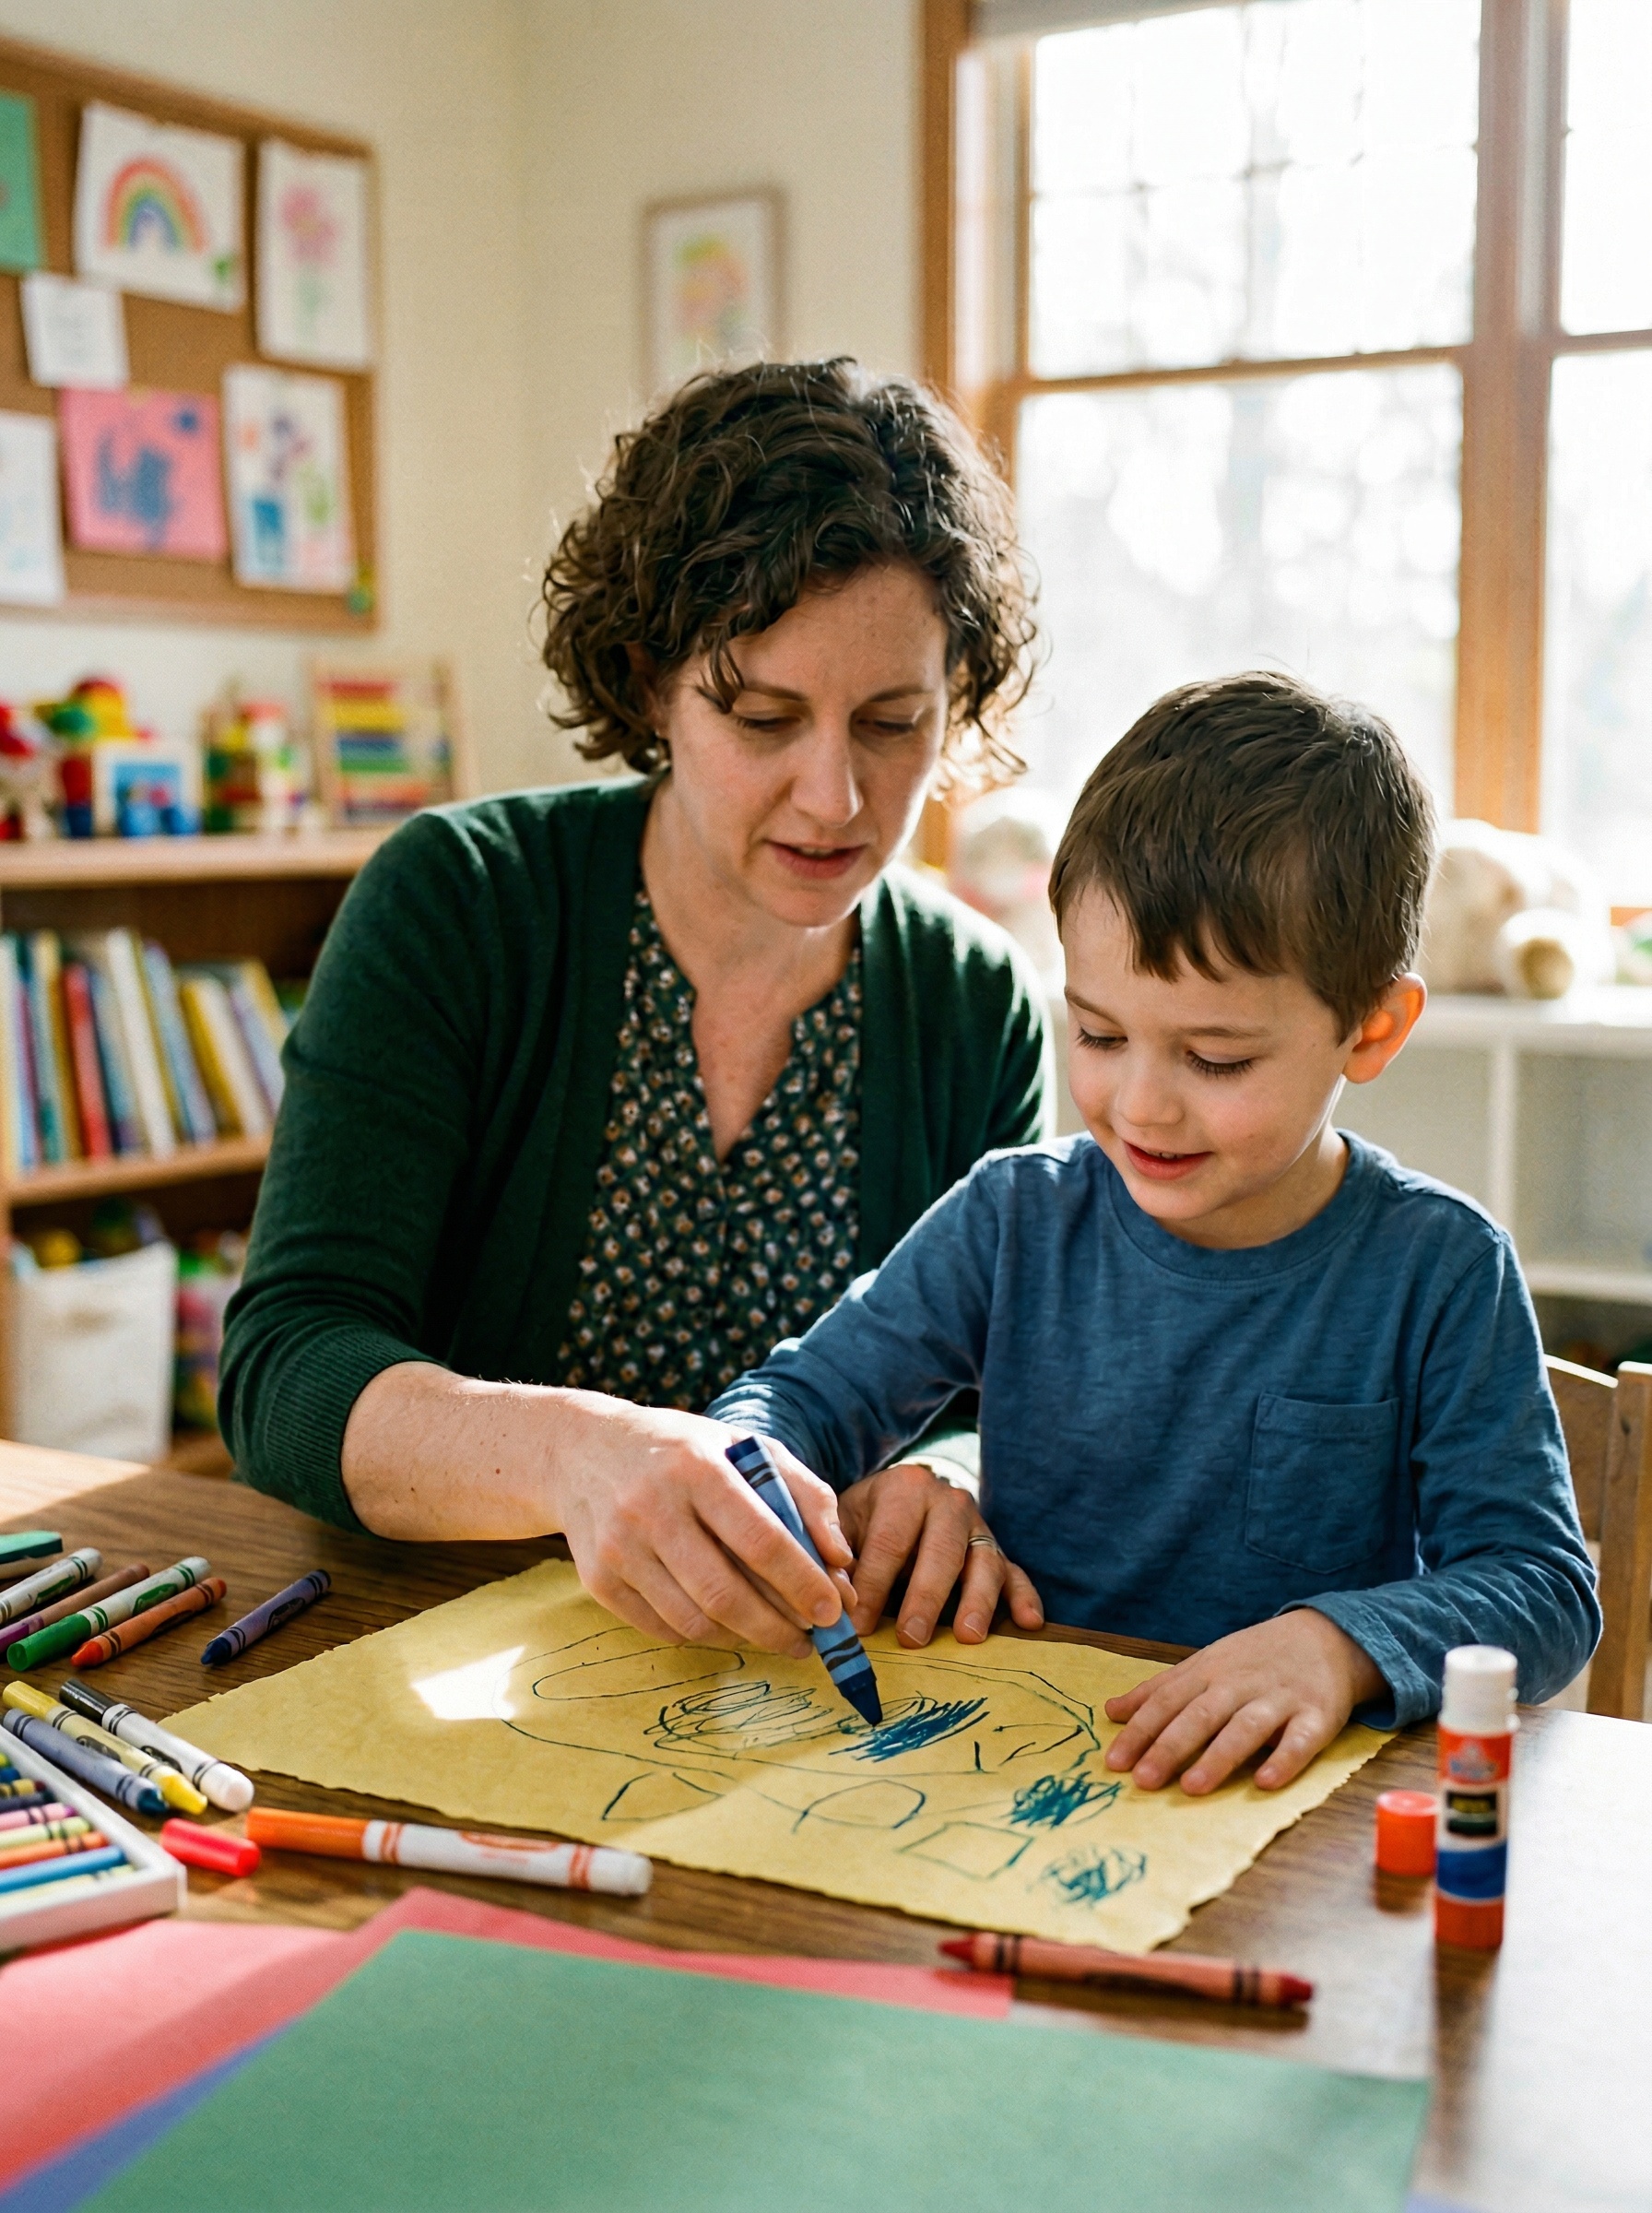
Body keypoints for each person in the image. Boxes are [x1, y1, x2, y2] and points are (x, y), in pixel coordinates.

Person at [220, 358, 1053, 1663]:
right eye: (764, 717)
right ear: (647, 680)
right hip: (429, 1660)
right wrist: (569, 1456)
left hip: (801, 1700)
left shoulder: (972, 999)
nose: (834, 796)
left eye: (894, 723)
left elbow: (1002, 1394)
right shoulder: (462, 904)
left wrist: (950, 1480)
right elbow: (285, 1367)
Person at [707, 671, 1600, 1791]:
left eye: (1214, 1059)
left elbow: (1543, 1587)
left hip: (1281, 1820)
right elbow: (789, 1406)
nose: (1140, 1105)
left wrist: (1337, 1645)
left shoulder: (1440, 1270)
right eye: (1096, 1032)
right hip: (1006, 1777)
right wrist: (766, 1478)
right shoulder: (1012, 1216)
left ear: (1371, 1028)